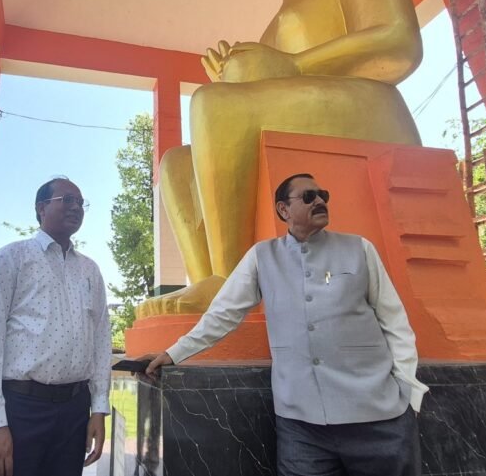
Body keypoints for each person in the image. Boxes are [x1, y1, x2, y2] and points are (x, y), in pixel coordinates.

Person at [142, 0, 423, 316]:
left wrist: (294, 64)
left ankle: (232, 281)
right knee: (177, 163)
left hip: (368, 103)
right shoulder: (272, 25)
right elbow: (270, 85)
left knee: (214, 104)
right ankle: (209, 278)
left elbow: (399, 41)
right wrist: (238, 73)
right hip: (308, 104)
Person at [143, 173, 428, 476]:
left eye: (323, 195)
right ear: (283, 209)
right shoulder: (262, 256)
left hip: (379, 419)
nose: (319, 201)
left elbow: (394, 321)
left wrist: (409, 394)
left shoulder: (360, 248)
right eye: (308, 197)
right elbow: (222, 314)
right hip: (302, 429)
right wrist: (174, 353)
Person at [0, 178, 111, 476]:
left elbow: (101, 341)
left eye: (80, 202)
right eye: (67, 200)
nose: (76, 207)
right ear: (41, 208)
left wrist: (99, 408)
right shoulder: (11, 258)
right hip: (21, 409)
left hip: (75, 412)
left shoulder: (90, 269)